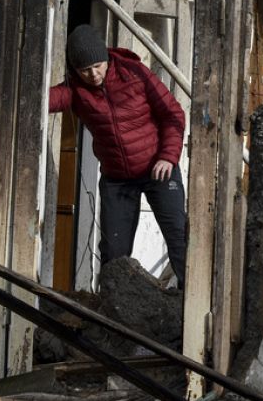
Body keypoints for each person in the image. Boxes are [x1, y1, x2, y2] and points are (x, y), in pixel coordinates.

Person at [49, 24, 189, 284]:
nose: (93, 74)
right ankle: (111, 311)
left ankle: (188, 304)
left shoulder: (135, 73)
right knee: (114, 252)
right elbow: (46, 99)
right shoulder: (76, 89)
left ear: (106, 58)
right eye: (84, 70)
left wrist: (168, 156)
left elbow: (173, 114)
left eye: (97, 66)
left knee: (179, 238)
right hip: (117, 179)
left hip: (158, 168)